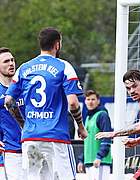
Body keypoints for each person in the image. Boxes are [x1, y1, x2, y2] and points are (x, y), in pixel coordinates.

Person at [4, 27, 88, 180]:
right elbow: (73, 103)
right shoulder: (64, 67)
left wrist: (23, 124)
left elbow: (8, 101)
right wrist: (81, 126)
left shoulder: (24, 68)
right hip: (56, 137)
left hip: (30, 137)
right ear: (57, 44)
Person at [77, 90, 112, 180]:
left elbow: (107, 138)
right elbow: (88, 142)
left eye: (93, 99)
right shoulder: (88, 117)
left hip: (100, 161)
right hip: (89, 162)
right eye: (88, 99)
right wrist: (82, 159)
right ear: (85, 101)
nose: (90, 102)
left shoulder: (102, 115)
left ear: (98, 101)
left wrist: (99, 156)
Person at [0, 47, 24, 180]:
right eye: (6, 61)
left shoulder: (25, 86)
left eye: (12, 60)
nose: (11, 63)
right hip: (13, 150)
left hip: (34, 144)